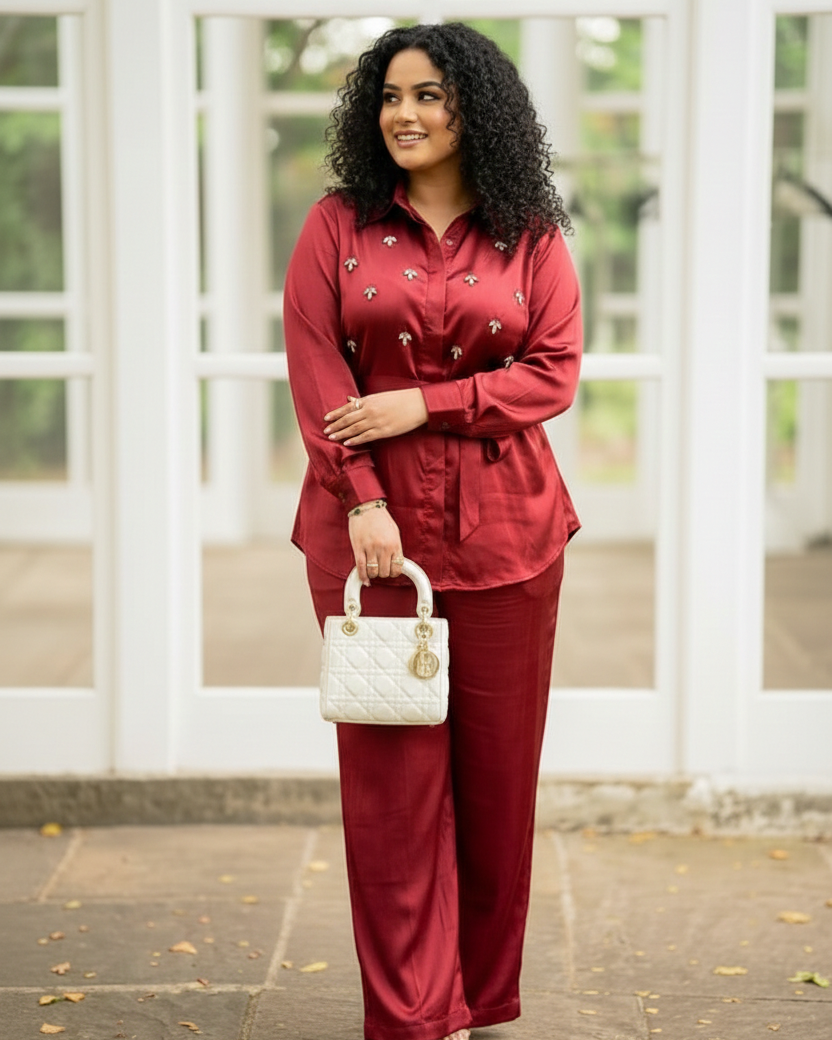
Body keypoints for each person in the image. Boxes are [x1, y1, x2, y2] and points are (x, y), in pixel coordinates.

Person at [284, 22, 582, 1040]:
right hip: (370, 540)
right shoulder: (337, 225)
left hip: (511, 536)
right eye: (391, 96)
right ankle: (415, 1016)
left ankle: (482, 998)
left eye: (430, 96)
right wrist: (361, 495)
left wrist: (428, 402)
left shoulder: (533, 234)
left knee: (497, 787)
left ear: (476, 112)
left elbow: (554, 370)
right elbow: (317, 363)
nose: (404, 114)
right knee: (391, 795)